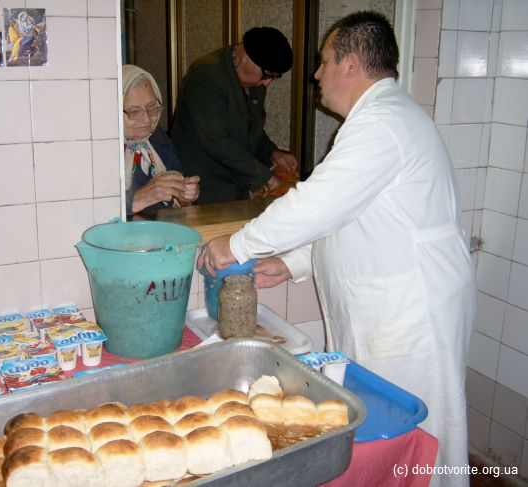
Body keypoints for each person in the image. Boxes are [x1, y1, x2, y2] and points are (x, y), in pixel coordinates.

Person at [199, 11, 476, 487]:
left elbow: (317, 203)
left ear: (351, 64)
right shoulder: (375, 123)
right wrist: (289, 263)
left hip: (410, 310)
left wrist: (237, 243)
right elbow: (350, 216)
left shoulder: (384, 124)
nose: (316, 73)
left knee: (418, 437)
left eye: (325, 60)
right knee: (377, 428)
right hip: (390, 304)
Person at [171, 27, 298, 204]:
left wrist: (273, 154)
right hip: (201, 187)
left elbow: (251, 129)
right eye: (267, 75)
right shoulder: (206, 74)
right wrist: (268, 179)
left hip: (235, 184)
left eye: (273, 77)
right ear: (246, 56)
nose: (267, 83)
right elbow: (217, 141)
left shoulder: (255, 82)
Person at [122, 65, 200, 215]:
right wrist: (137, 199)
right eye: (134, 111)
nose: (146, 120)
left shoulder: (157, 138)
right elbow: (92, 208)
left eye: (152, 107)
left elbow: (177, 195)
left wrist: (184, 195)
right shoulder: (101, 147)